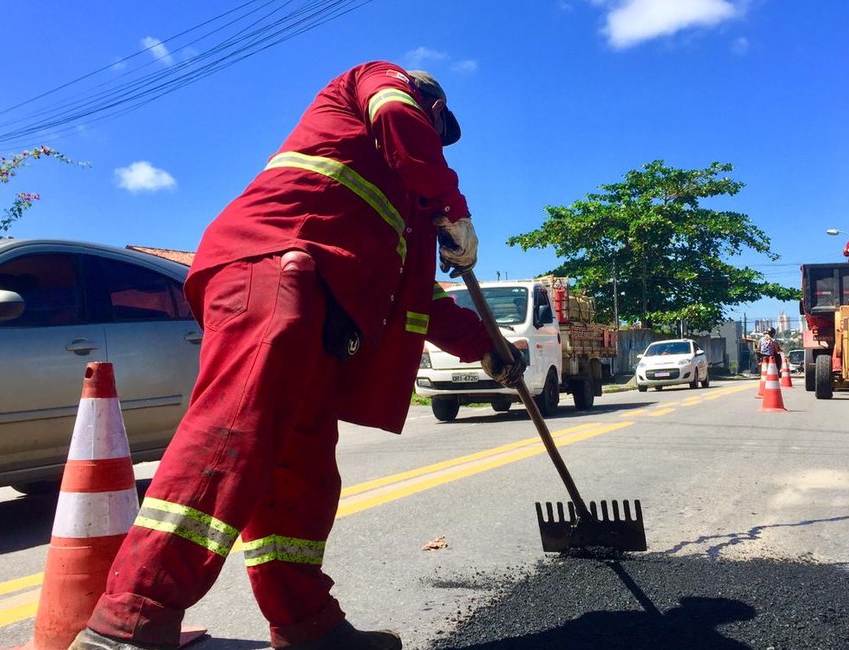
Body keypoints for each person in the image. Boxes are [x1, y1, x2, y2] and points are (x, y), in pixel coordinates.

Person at [72, 62, 526, 650]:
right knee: (236, 431)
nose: (429, 145)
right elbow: (395, 113)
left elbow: (419, 299)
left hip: (321, 306)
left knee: (302, 470)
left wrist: (488, 349)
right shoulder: (376, 81)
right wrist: (451, 203)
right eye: (436, 135)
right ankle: (132, 616)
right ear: (432, 111)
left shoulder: (399, 210)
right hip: (277, 262)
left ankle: (307, 622)